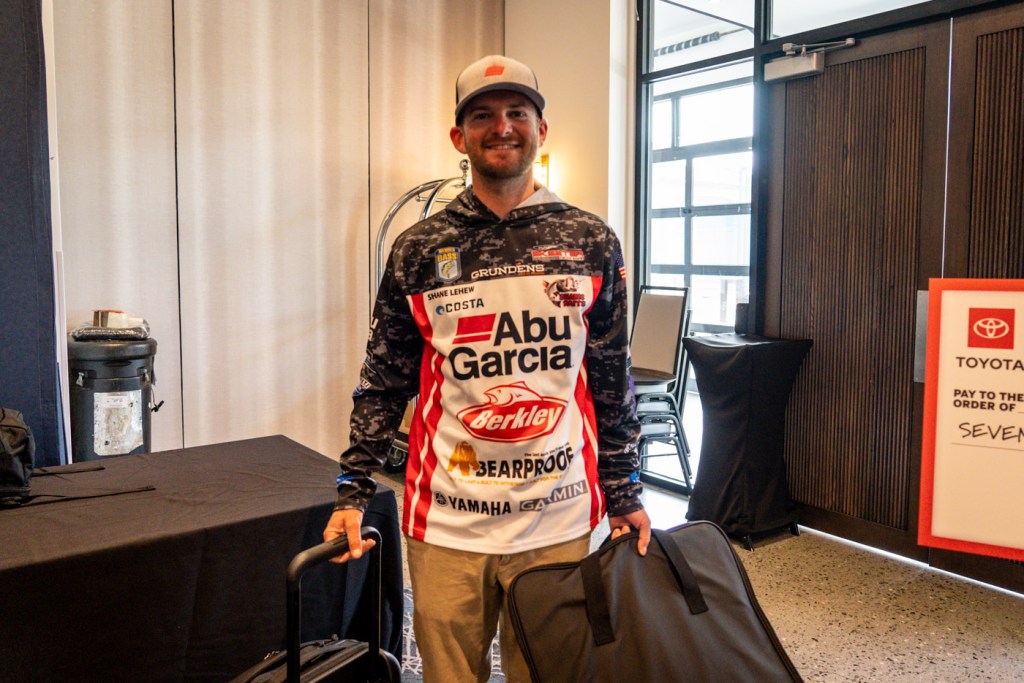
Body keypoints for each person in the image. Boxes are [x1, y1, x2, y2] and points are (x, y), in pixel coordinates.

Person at [323, 54, 651, 683]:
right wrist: (354, 488)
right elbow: (384, 381)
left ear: (541, 129)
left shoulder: (591, 241)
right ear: (459, 137)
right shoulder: (419, 248)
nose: (502, 127)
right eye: (482, 116)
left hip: (557, 515)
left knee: (547, 672)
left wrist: (625, 491)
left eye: (516, 113)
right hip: (447, 520)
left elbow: (612, 380)